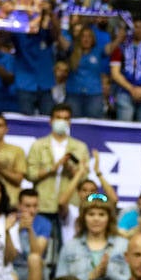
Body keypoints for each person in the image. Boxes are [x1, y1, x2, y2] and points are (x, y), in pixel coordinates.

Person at [55, 196, 131, 280]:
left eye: (101, 214)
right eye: (91, 214)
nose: (96, 219)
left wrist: (108, 273)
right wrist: (89, 278)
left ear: (109, 218)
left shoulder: (123, 245)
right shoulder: (70, 247)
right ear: (83, 218)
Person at [26, 103, 89, 246]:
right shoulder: (39, 145)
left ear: (70, 122)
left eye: (66, 118)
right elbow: (30, 173)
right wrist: (52, 169)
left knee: (67, 245)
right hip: (43, 204)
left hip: (69, 205)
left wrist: (70, 169)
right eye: (58, 118)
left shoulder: (80, 147)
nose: (62, 121)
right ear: (51, 121)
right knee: (41, 246)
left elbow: (84, 178)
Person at [13, 189, 52, 280]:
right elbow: (6, 252)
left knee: (34, 259)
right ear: (19, 205)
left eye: (35, 206)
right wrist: (17, 229)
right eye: (27, 206)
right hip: (13, 268)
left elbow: (38, 252)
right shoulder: (9, 221)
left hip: (34, 270)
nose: (32, 210)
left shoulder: (44, 223)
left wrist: (30, 230)